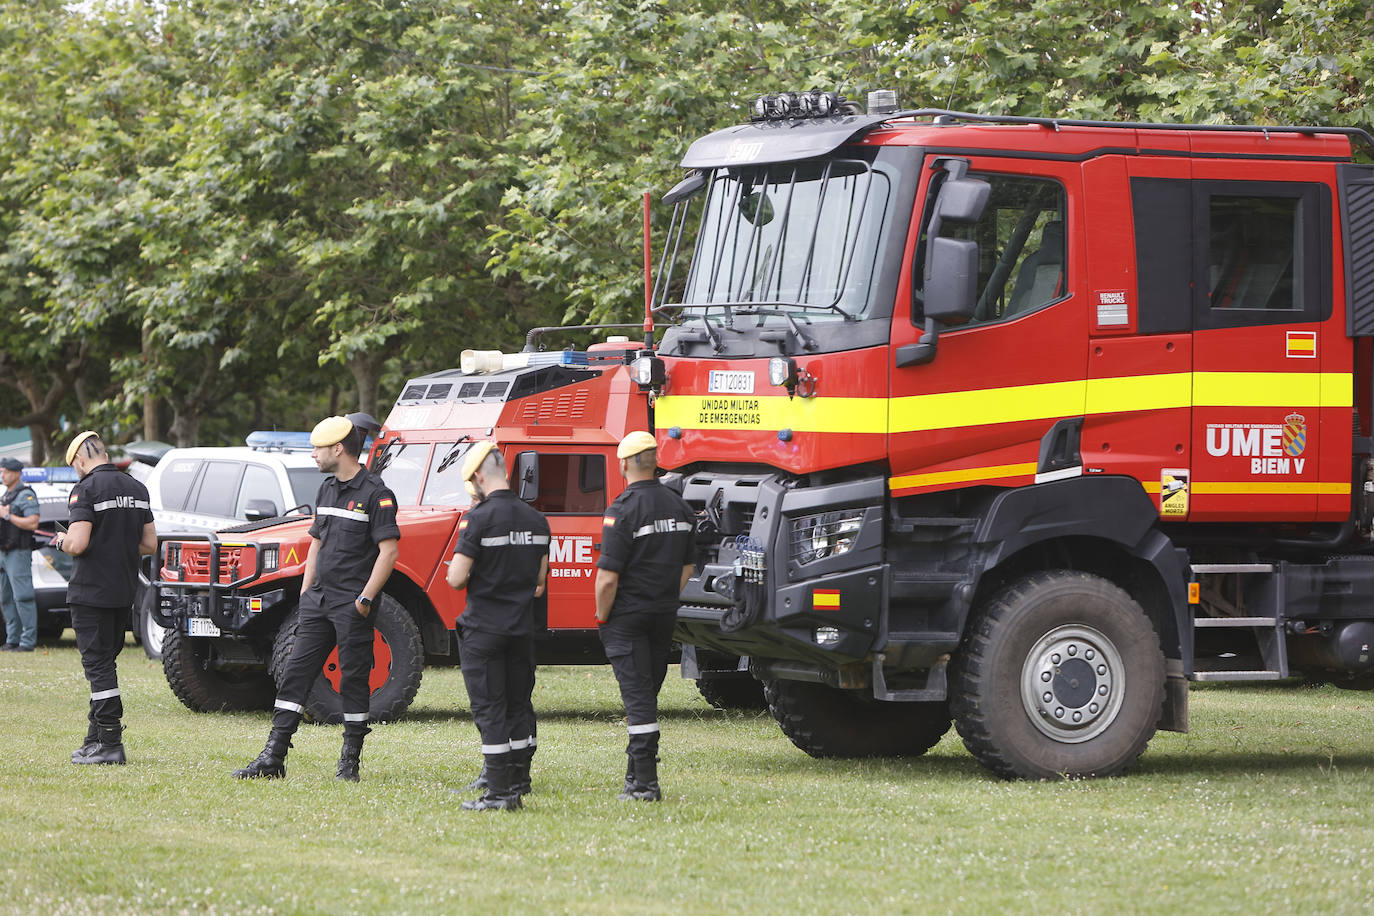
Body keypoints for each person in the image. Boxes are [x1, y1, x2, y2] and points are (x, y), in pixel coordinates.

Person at [232, 415, 399, 782]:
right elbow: (316, 544)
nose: (313, 455)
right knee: (294, 675)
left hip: (352, 605)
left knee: (354, 681)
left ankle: (349, 763)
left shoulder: (376, 494)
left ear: (338, 449)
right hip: (318, 602)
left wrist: (365, 600)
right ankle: (273, 758)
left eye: (317, 448)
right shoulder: (325, 489)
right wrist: (307, 592)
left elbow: (388, 552)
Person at [446, 441, 549, 812]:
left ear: (477, 477)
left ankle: (498, 793)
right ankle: (519, 780)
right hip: (523, 629)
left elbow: (456, 579)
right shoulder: (537, 519)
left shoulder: (478, 519)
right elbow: (540, 580)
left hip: (485, 630)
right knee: (518, 704)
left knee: (489, 709)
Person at [594, 431, 696, 802]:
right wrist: (666, 596)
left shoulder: (622, 510)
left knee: (638, 700)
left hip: (627, 617)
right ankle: (635, 775)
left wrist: (602, 617)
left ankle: (645, 784)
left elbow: (607, 577)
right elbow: (687, 566)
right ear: (654, 462)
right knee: (646, 695)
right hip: (663, 615)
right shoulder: (679, 506)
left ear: (623, 464)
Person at [53, 431, 157, 765]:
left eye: (74, 467)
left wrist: (61, 540)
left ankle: (111, 742)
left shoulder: (85, 489)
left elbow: (78, 543)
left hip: (90, 591)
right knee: (104, 665)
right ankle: (94, 739)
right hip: (122, 590)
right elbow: (149, 544)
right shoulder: (137, 488)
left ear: (80, 460)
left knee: (98, 668)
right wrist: (117, 544)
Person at [0, 457, 41, 652]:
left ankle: (27, 641)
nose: (2, 475)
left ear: (17, 473)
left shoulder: (26, 495)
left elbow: (33, 523)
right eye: (1, 471)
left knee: (23, 597)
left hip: (18, 553)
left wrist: (8, 515)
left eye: (6, 472)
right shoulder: (6, 496)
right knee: (5, 598)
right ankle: (12, 638)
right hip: (3, 553)